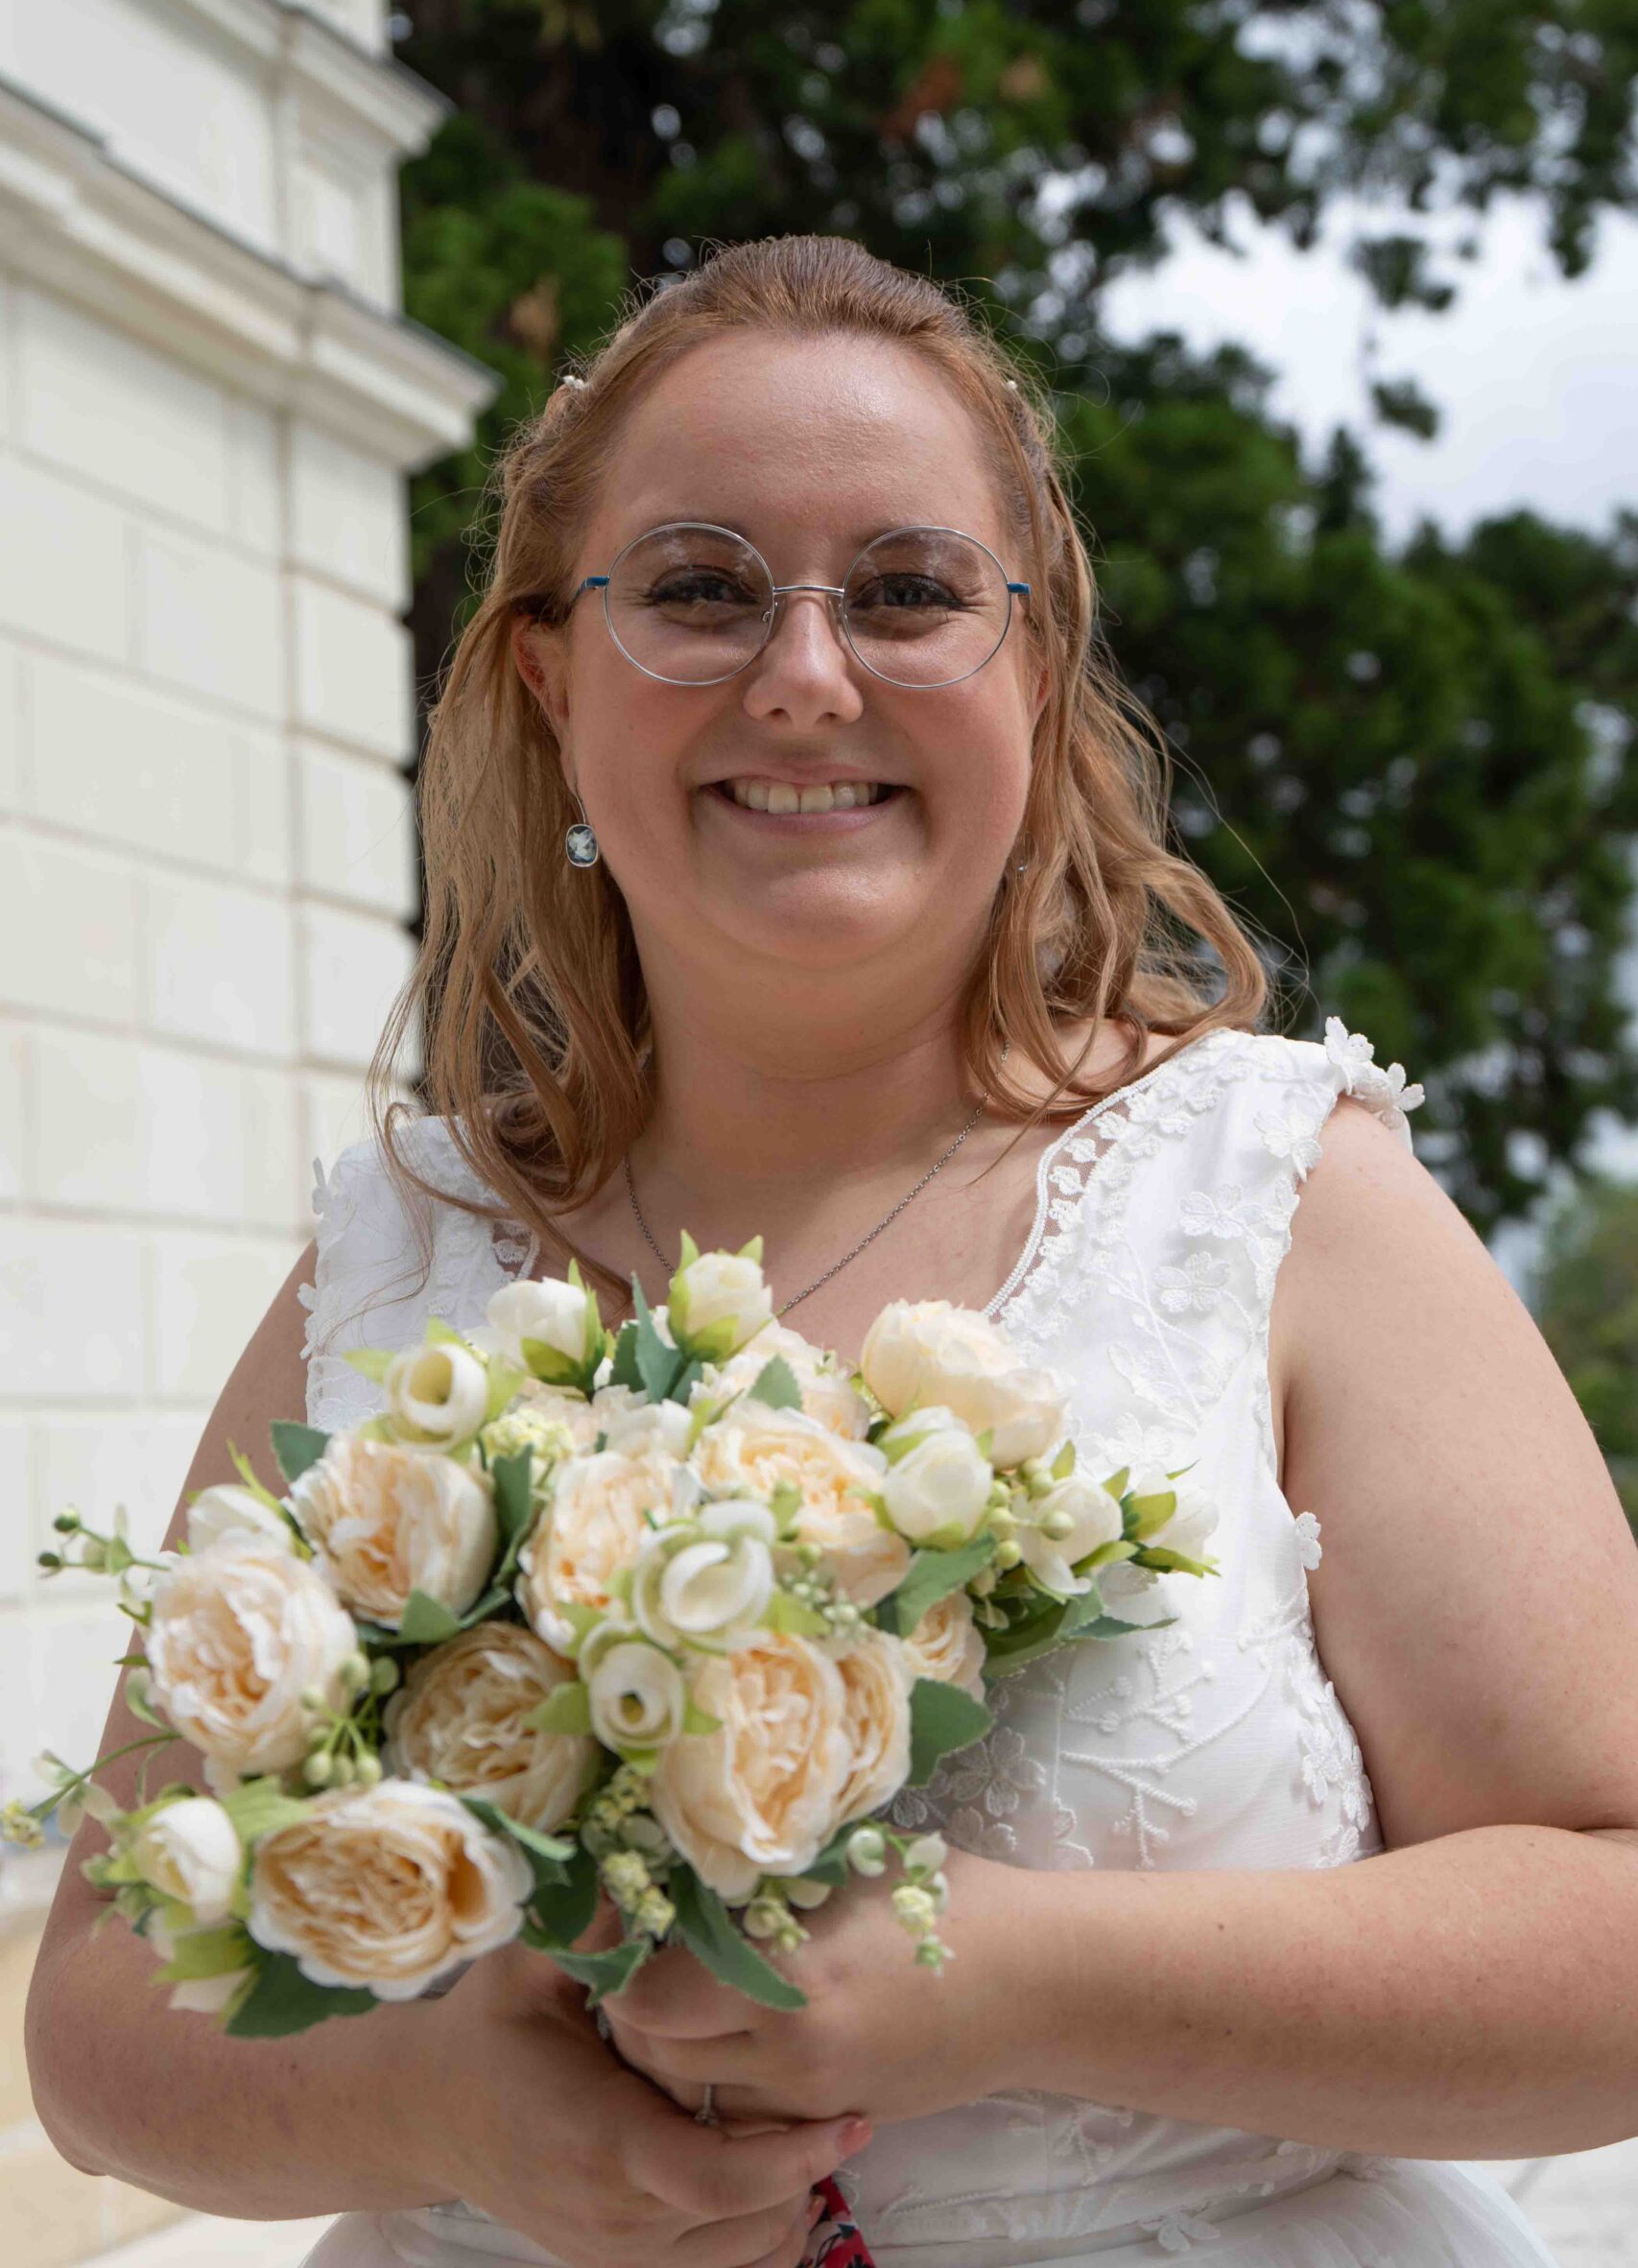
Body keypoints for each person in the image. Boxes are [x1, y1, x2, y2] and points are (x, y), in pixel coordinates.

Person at [26, 235, 1638, 2268]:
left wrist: (1007, 1982)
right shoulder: (398, 1259)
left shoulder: (1270, 1196)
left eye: (905, 590)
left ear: (1031, 676)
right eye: (697, 586)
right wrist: (427, 2094)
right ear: (550, 670)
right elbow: (93, 2016)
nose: (803, 671)